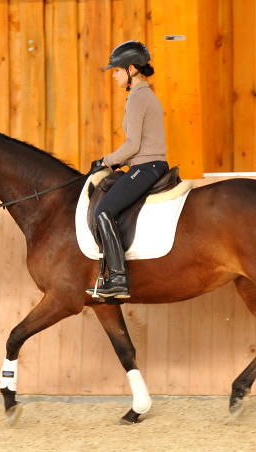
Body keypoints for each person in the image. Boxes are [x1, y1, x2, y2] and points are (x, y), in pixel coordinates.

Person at [87, 40, 169, 299]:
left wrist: (105, 162)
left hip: (146, 167)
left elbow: (132, 145)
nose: (113, 75)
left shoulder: (137, 98)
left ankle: (119, 279)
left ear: (131, 69)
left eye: (117, 71)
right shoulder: (146, 95)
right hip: (150, 164)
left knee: (103, 210)